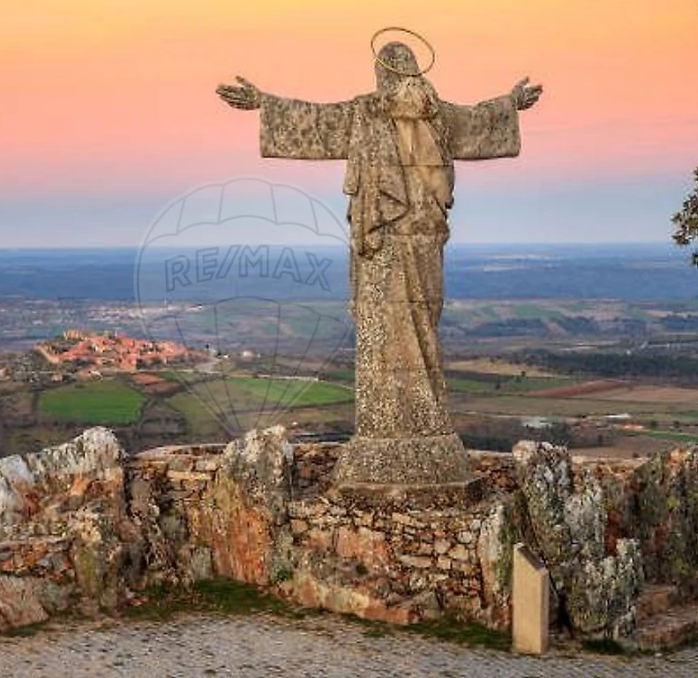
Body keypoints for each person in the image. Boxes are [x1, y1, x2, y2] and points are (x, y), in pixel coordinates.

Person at [217, 42, 542, 485]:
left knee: (392, 329)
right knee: (413, 328)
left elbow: (316, 122)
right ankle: (419, 426)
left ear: (384, 74)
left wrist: (263, 103)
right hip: (417, 242)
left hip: (387, 244)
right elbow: (480, 121)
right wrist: (511, 103)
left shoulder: (374, 113)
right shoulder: (434, 115)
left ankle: (397, 427)